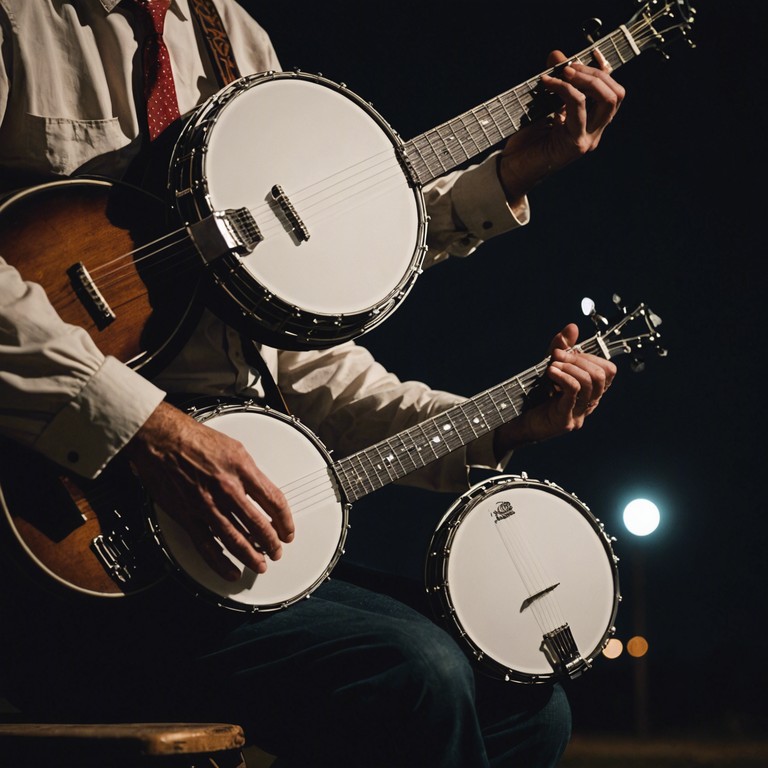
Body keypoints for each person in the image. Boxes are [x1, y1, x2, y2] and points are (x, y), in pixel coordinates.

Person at [0, 1, 623, 766]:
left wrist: (498, 425)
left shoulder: (235, 38)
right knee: (415, 674)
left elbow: (307, 364)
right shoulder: (21, 18)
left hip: (212, 542)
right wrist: (147, 430)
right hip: (57, 528)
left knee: (531, 709)